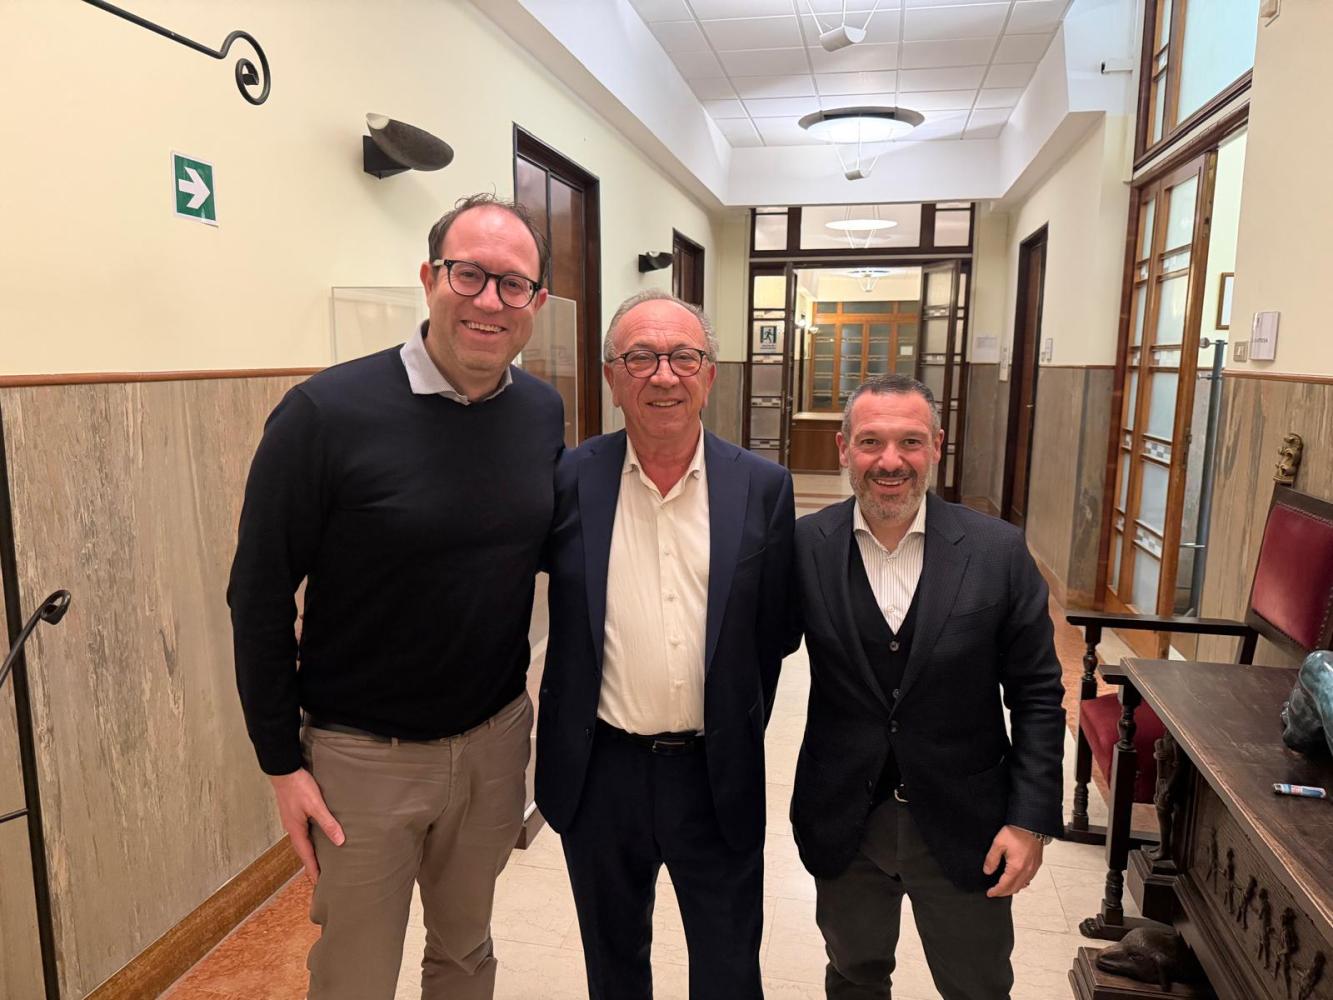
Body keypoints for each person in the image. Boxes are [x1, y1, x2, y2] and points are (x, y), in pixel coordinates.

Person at [227, 193, 563, 1000]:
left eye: (512, 284)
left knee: (466, 954)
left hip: (493, 745)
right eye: (468, 274)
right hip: (361, 763)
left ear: (537, 302)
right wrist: (281, 764)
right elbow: (258, 594)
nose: (489, 300)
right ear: (428, 277)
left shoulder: (540, 412)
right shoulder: (323, 414)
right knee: (354, 977)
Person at [537, 290, 795, 999]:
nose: (663, 375)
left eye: (684, 357)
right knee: (614, 965)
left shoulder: (763, 487)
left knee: (728, 968)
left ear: (709, 375)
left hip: (716, 773)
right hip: (599, 772)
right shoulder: (567, 480)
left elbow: (774, 633)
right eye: (640, 357)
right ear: (611, 377)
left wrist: (734, 725)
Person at [789, 373, 1065, 999]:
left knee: (978, 987)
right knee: (853, 978)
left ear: (937, 445)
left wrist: (1029, 820)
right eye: (871, 442)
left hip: (969, 822)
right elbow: (751, 657)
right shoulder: (804, 546)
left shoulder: (997, 552)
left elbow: (1037, 695)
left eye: (910, 441)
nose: (890, 461)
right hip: (845, 819)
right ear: (843, 448)